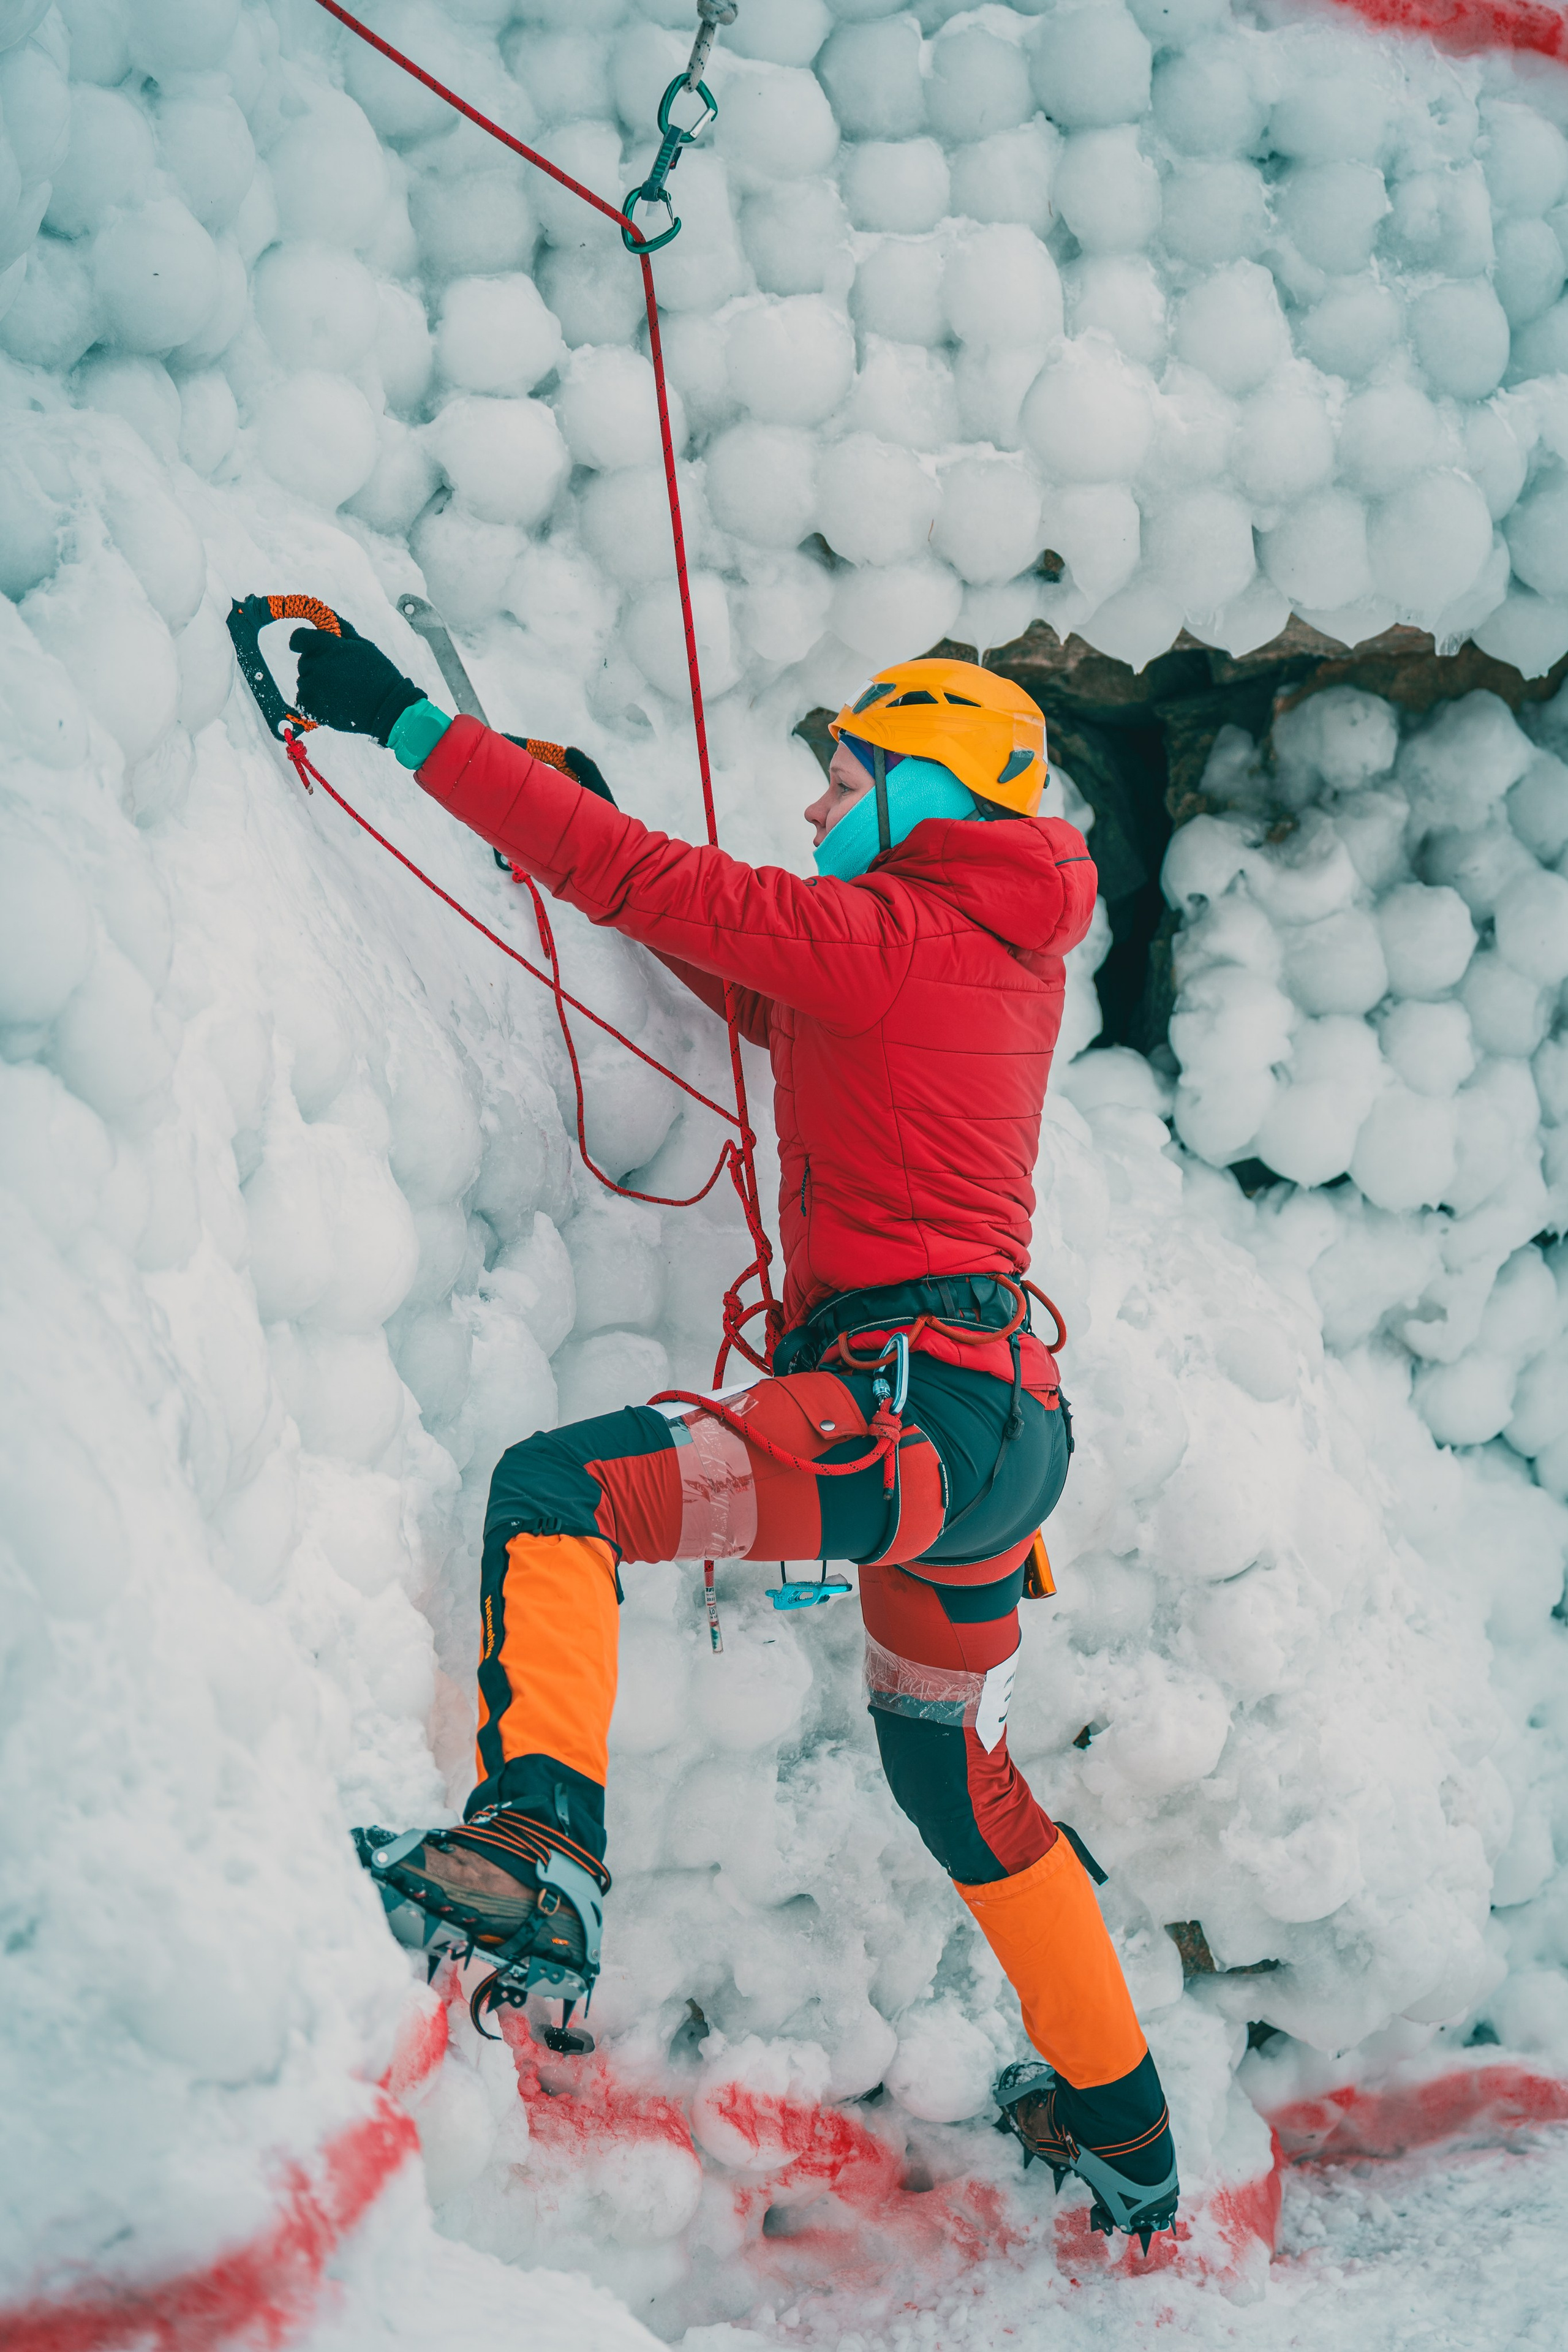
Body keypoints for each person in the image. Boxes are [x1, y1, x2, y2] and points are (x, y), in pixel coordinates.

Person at [288, 622, 1179, 2246]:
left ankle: (538, 1845)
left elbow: (650, 881)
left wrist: (407, 723)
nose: (820, 799)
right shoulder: (984, 946)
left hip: (899, 1423)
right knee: (963, 1787)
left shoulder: (886, 931)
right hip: (995, 1445)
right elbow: (745, 964)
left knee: (562, 1495)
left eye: (848, 775)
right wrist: (573, 825)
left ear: (924, 790)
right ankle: (1130, 2136)